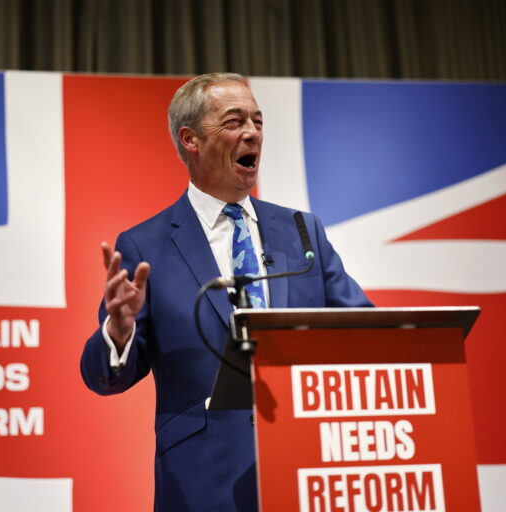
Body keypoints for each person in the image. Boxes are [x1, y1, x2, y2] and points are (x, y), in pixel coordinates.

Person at [80, 73, 372, 511]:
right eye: (234, 122)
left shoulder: (301, 231)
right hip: (203, 481)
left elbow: (364, 331)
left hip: (309, 469)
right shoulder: (146, 245)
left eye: (257, 121)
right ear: (191, 139)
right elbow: (106, 378)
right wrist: (118, 333)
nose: (252, 132)